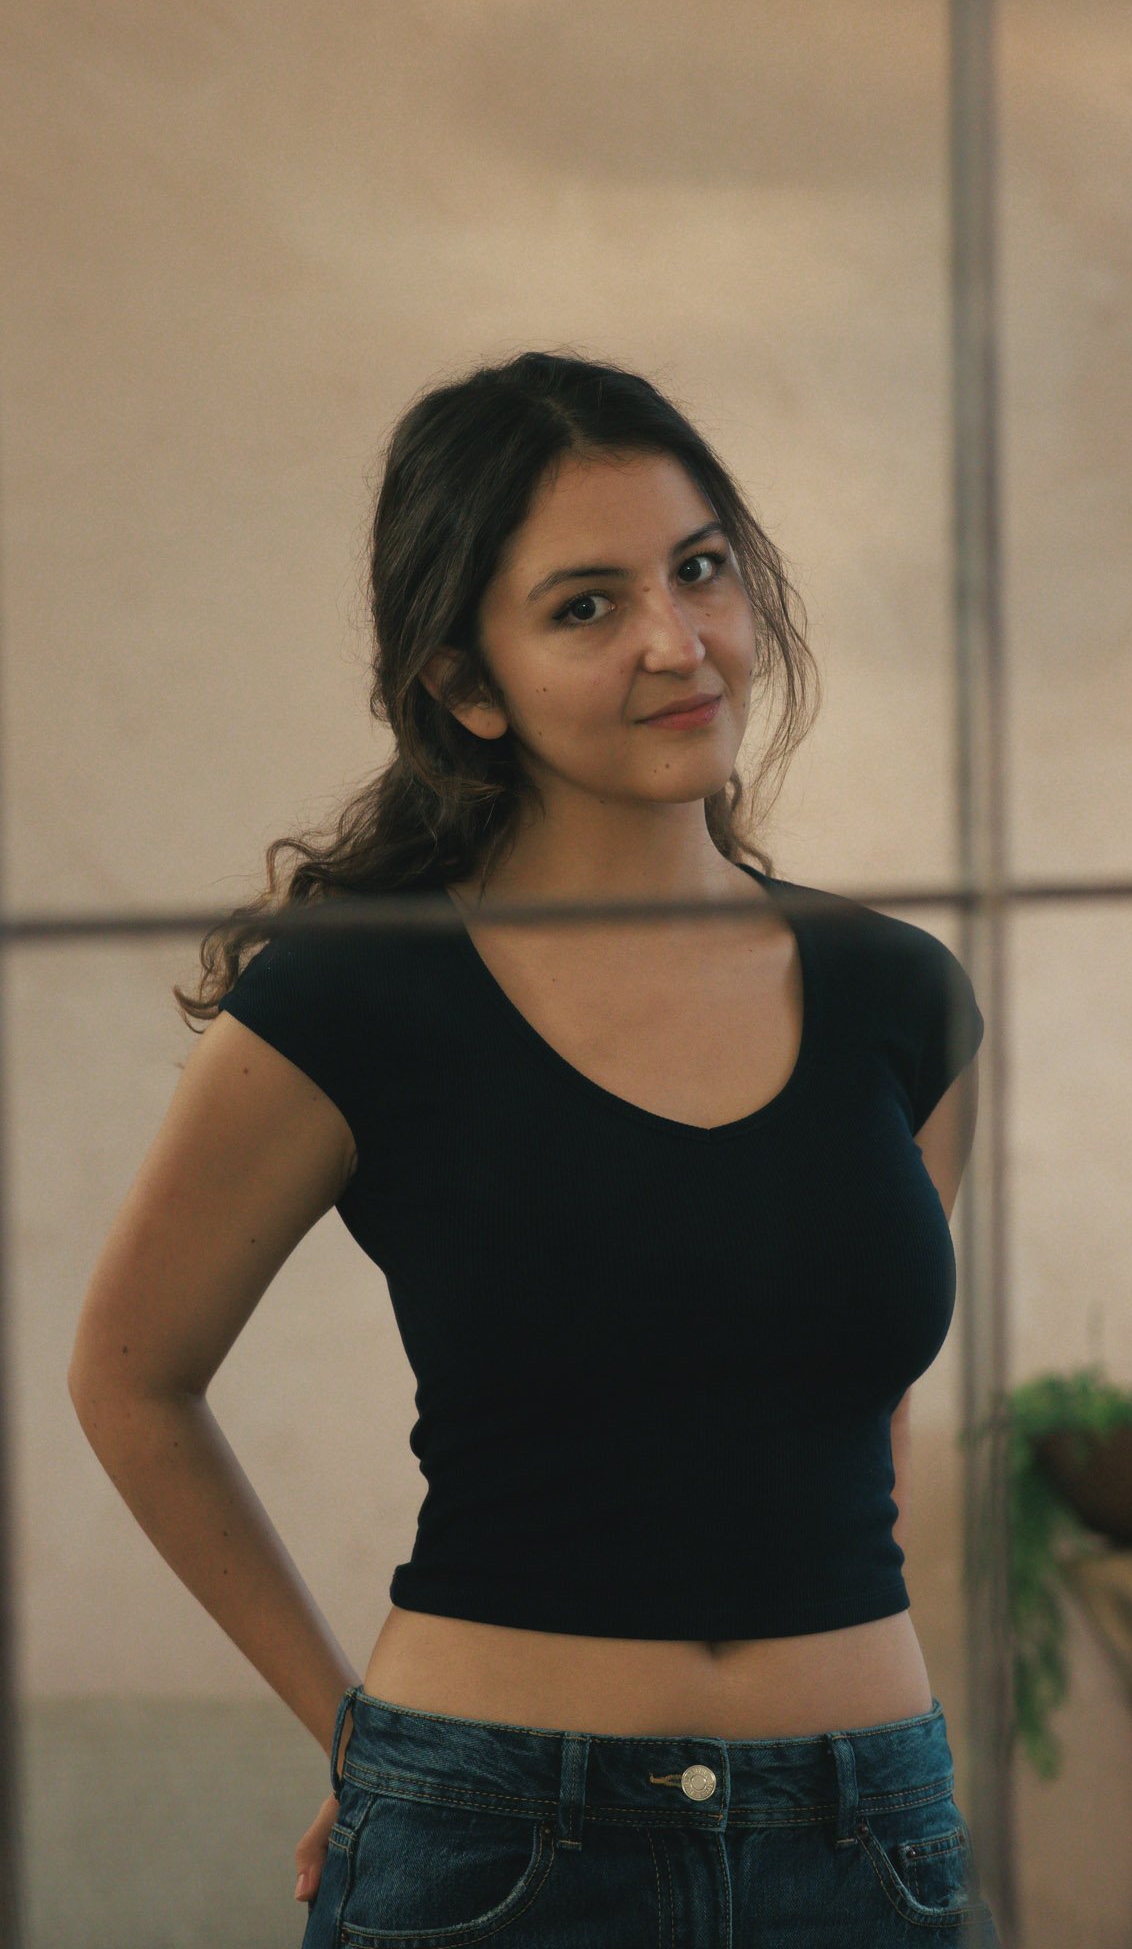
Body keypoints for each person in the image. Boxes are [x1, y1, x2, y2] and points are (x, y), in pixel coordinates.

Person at [67, 350, 1000, 1945]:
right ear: (467, 685)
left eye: (698, 569)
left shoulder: (900, 998)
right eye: (584, 605)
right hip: (497, 1843)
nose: (675, 641)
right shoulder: (356, 998)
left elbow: (854, 1401)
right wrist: (361, 1745)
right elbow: (128, 1378)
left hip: (868, 1841)